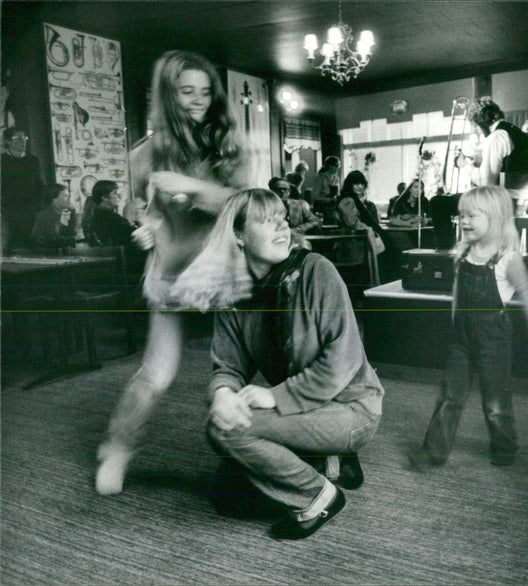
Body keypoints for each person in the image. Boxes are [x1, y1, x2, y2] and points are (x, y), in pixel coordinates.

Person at [94, 50, 252, 495]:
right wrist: (147, 228)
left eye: (205, 91)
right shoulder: (144, 154)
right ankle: (118, 448)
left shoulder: (227, 144)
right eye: (187, 92)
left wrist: (193, 188)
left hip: (226, 268)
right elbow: (142, 212)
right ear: (169, 95)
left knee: (257, 367)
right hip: (172, 268)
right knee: (155, 374)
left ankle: (282, 450)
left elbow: (246, 205)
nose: (199, 100)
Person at [203, 188, 383, 540]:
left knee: (228, 436)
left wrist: (277, 397)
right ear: (238, 236)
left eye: (282, 219)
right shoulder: (232, 292)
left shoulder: (316, 270)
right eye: (266, 221)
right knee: (226, 493)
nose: (282, 228)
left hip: (353, 408)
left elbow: (342, 360)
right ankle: (327, 460)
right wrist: (223, 392)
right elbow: (227, 366)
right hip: (305, 409)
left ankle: (317, 496)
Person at [411, 186, 528, 469]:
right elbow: (456, 293)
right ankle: (433, 452)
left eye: (472, 215)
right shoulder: (462, 254)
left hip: (494, 339)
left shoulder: (507, 259)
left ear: (496, 217)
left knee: (495, 403)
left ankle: (504, 447)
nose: (464, 221)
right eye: (461, 215)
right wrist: (454, 324)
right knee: (450, 395)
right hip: (460, 339)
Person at [429, 99, 528, 249]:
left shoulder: (496, 137)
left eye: (477, 127)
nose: (479, 131)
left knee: (438, 203)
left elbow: (487, 181)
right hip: (521, 202)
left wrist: (464, 165)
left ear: (480, 123)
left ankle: (446, 255)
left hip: (499, 203)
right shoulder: (517, 134)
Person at [2, 127, 44, 246]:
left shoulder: (32, 160)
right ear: (8, 141)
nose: (24, 141)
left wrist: (38, 205)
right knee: (11, 245)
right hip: (8, 212)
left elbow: (39, 184)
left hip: (30, 211)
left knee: (30, 244)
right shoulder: (2, 161)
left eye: (25, 138)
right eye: (19, 138)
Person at [87, 180, 136, 246]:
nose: (119, 197)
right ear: (104, 197)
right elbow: (134, 235)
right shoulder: (111, 218)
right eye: (115, 193)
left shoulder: (95, 215)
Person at [310, 155, 341, 223]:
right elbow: (314, 196)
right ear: (330, 166)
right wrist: (327, 199)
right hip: (321, 207)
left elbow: (337, 193)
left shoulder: (336, 178)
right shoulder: (320, 178)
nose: (338, 168)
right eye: (336, 166)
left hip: (332, 207)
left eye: (339, 166)